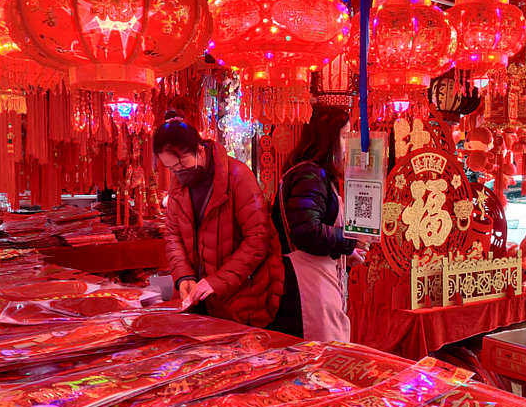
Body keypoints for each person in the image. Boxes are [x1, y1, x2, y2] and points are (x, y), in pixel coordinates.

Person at [155, 111, 285, 328]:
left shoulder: (238, 176)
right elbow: (174, 236)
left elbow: (257, 239)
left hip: (242, 296)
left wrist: (217, 281)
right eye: (172, 169)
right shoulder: (178, 184)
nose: (178, 173)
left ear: (200, 150)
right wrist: (184, 276)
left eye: (182, 165)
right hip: (199, 299)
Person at [269, 104, 367, 342]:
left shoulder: (317, 175)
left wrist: (345, 252)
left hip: (317, 280)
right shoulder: (310, 176)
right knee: (318, 354)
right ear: (328, 139)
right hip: (305, 288)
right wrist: (349, 239)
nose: (346, 145)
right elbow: (306, 232)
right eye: (343, 137)